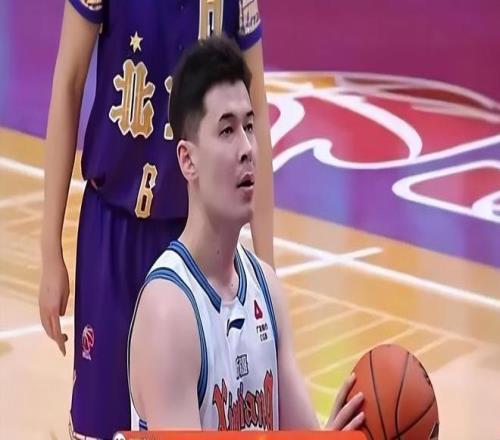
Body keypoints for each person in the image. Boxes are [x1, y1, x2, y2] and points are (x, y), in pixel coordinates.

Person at [38, 1, 274, 438]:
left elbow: (254, 113)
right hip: (112, 232)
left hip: (195, 246)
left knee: (192, 422)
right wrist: (50, 250)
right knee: (99, 424)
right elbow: (69, 82)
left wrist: (266, 270)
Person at [128, 36, 365, 431]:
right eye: (226, 131)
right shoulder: (169, 311)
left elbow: (302, 435)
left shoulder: (266, 289)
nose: (247, 148)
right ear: (187, 160)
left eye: (250, 127)